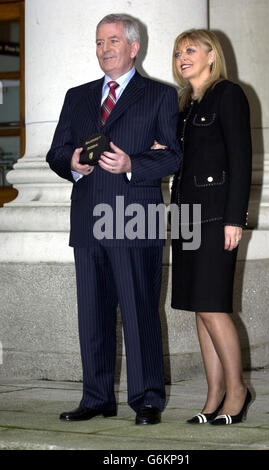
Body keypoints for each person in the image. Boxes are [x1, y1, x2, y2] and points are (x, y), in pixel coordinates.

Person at [46, 13, 181, 425]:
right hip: (87, 219)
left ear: (134, 47)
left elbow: (174, 155)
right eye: (99, 42)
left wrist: (130, 164)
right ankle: (97, 397)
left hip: (134, 219)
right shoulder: (77, 96)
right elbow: (55, 151)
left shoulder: (160, 95)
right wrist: (69, 162)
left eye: (113, 41)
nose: (105, 48)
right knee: (93, 313)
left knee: (140, 311)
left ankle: (147, 399)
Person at [170, 29, 252, 425]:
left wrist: (236, 218)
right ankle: (213, 393)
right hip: (185, 217)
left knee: (213, 304)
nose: (182, 56)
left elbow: (241, 160)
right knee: (198, 308)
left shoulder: (229, 94)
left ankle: (237, 390)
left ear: (211, 56)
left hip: (217, 217)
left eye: (190, 50)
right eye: (178, 52)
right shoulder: (184, 105)